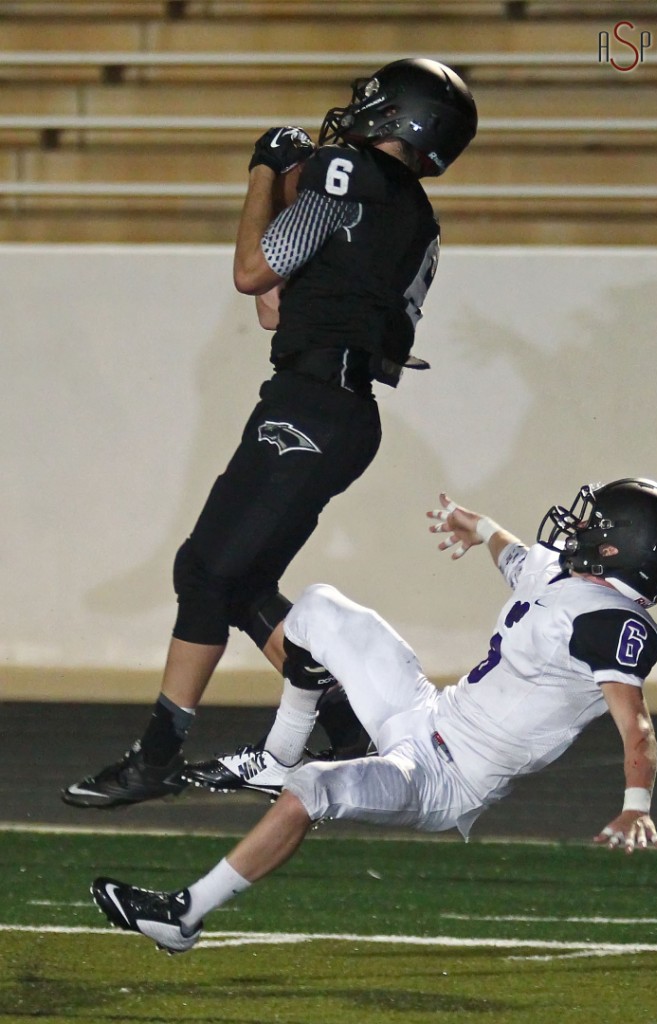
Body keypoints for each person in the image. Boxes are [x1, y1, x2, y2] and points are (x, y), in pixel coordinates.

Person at [61, 58, 478, 809]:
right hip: (338, 409)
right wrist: (295, 186)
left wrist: (264, 172)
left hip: (311, 405)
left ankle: (156, 755)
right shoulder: (417, 220)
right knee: (240, 579)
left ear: (396, 115)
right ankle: (350, 731)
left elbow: (254, 274)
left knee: (203, 571)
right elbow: (281, 306)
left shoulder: (346, 174)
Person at [91, 477, 657, 952]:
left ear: (623, 547)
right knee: (321, 609)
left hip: (448, 779)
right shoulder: (561, 575)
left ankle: (184, 915)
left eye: (596, 523)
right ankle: (276, 753)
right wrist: (477, 525)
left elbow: (634, 724)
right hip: (426, 712)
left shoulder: (613, 624)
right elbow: (513, 554)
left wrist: (635, 806)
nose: (577, 526)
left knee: (313, 789)